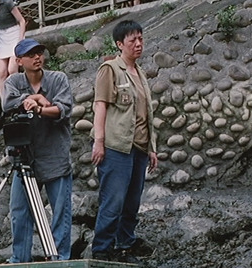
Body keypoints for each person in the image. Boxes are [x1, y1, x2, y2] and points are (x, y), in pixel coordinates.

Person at [90, 20, 158, 264]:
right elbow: (100, 105)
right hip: (116, 146)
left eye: (140, 38)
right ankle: (101, 249)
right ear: (120, 44)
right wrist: (99, 141)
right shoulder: (110, 69)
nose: (138, 44)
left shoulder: (139, 73)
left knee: (132, 202)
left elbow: (146, 114)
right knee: (113, 200)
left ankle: (124, 246)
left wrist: (152, 148)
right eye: (132, 40)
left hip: (138, 147)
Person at [2, 38, 73, 262]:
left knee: (61, 212)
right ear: (19, 60)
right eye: (31, 55)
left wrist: (40, 108)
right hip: (24, 158)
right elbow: (8, 104)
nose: (37, 58)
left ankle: (59, 260)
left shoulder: (58, 79)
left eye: (39, 53)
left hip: (54, 155)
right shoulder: (13, 81)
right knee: (20, 213)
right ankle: (20, 260)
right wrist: (34, 98)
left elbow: (63, 109)